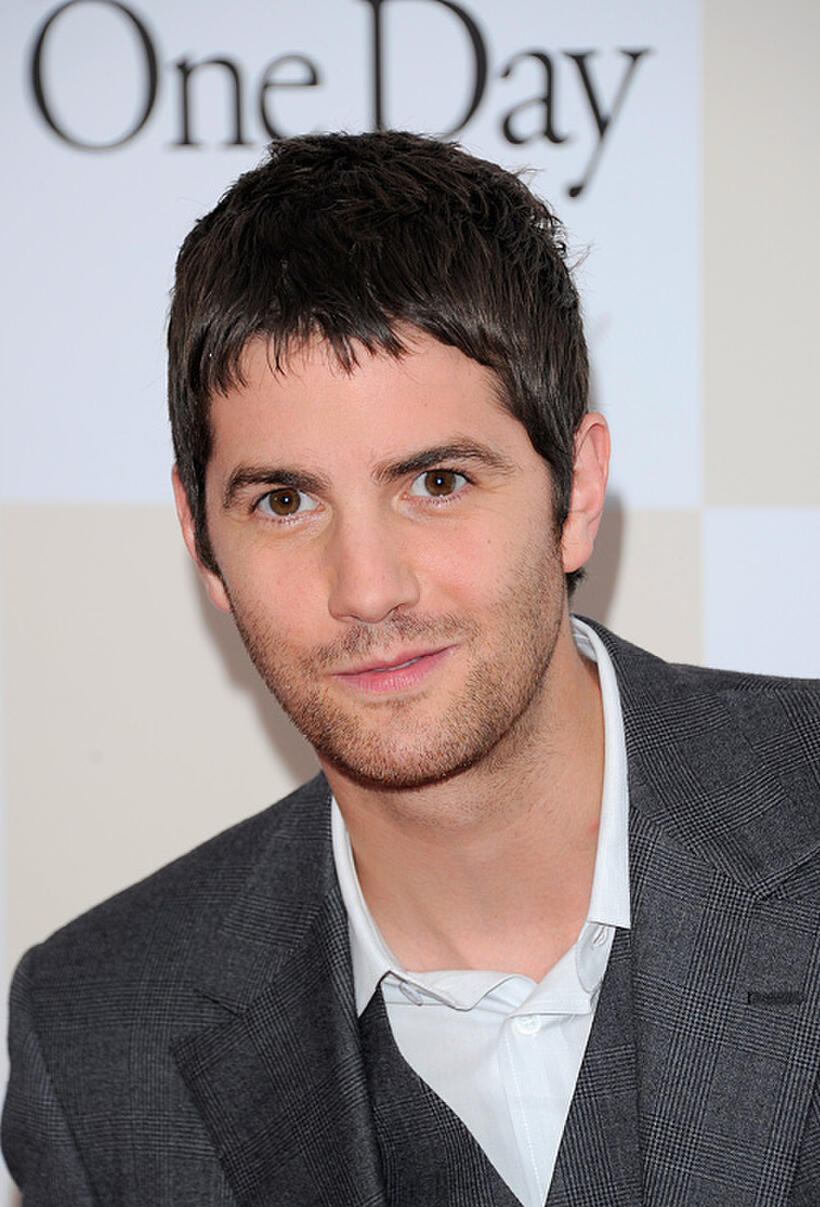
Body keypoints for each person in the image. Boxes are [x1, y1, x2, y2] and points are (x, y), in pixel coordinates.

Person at [3, 130, 820, 1207]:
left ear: (573, 493)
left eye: (435, 481)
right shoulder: (100, 1036)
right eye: (283, 501)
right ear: (201, 538)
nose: (368, 587)